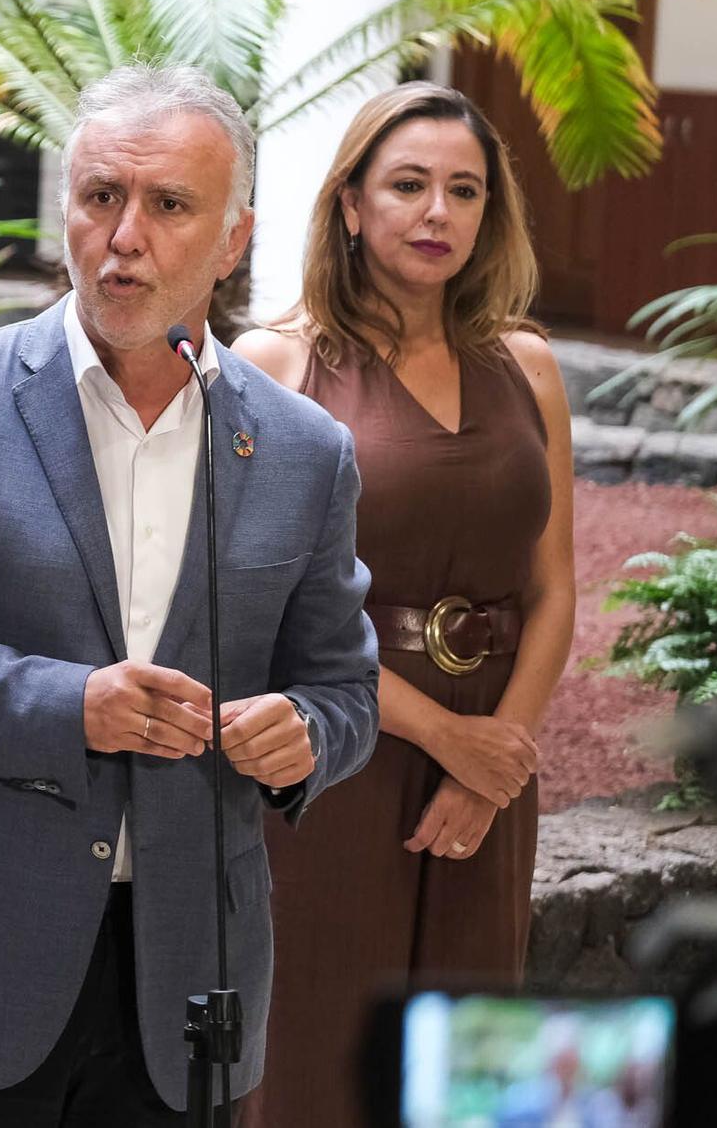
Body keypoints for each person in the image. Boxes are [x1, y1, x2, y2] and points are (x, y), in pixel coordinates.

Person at [0, 63, 381, 1125]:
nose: (125, 237)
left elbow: (343, 688)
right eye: (100, 196)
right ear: (62, 206)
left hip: (185, 985)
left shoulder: (303, 451)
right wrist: (68, 705)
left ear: (231, 238)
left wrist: (303, 732)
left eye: (167, 206)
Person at [234, 82, 575, 1128]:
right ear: (348, 203)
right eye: (407, 185)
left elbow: (553, 582)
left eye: (462, 190)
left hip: (487, 763)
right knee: (317, 1042)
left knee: (471, 1064)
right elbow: (267, 616)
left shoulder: (525, 361)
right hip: (339, 749)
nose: (436, 213)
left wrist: (497, 751)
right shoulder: (275, 366)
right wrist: (446, 736)